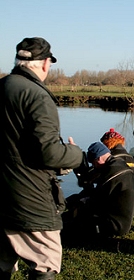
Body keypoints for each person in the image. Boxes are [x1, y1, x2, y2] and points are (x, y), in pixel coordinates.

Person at [0, 37, 84, 280]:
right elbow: (48, 153)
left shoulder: (3, 86)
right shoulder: (37, 95)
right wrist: (76, 154)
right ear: (46, 63)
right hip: (30, 201)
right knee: (45, 263)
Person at [62, 142, 134, 241]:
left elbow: (96, 201)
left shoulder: (112, 174)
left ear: (99, 159)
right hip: (117, 219)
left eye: (93, 163)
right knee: (76, 202)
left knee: (67, 227)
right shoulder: (118, 165)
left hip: (114, 225)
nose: (93, 166)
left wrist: (76, 207)